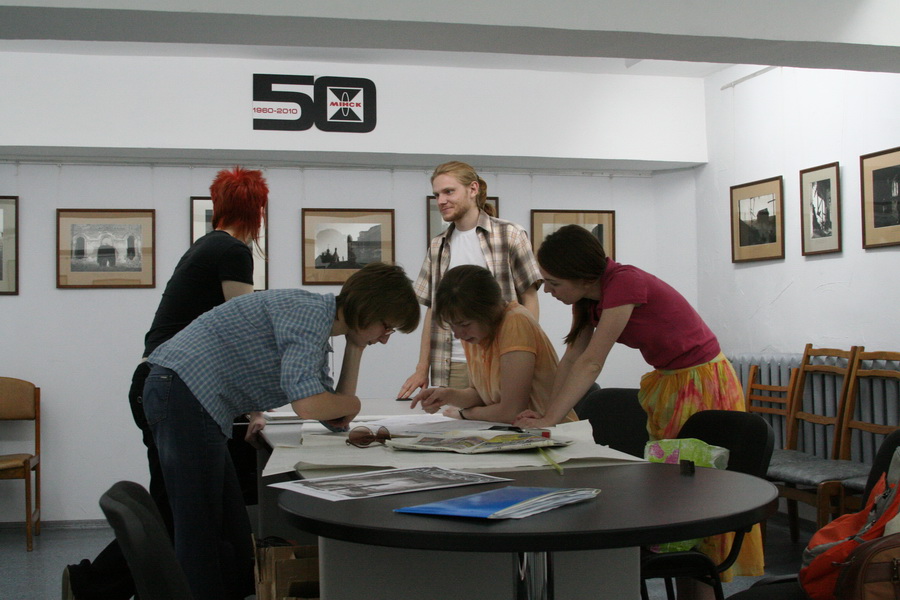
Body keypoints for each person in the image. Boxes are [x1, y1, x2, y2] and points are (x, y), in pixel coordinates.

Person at [142, 262, 419, 600]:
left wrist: (356, 347)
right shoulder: (308, 314)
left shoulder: (318, 327)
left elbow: (335, 418)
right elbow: (310, 405)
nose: (386, 339)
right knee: (201, 529)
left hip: (191, 398)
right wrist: (354, 403)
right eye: (387, 327)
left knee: (230, 526)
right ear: (367, 309)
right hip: (182, 392)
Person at [514, 224, 760, 597]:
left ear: (583, 278)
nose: (547, 291)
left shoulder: (623, 283)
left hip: (700, 383)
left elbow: (593, 362)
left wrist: (550, 418)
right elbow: (573, 357)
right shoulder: (590, 297)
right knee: (679, 502)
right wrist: (550, 414)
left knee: (695, 502)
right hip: (672, 383)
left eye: (553, 283)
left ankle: (700, 587)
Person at [64, 166, 269, 600]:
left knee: (170, 508)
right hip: (176, 386)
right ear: (257, 210)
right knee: (187, 510)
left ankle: (91, 585)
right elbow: (241, 332)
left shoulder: (205, 247)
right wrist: (255, 407)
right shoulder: (233, 251)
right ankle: (93, 585)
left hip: (154, 383)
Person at [397, 161, 542, 396]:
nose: (441, 200)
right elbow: (434, 310)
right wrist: (422, 368)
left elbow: (530, 299)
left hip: (501, 356)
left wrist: (523, 353)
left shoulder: (510, 234)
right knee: (454, 419)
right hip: (451, 363)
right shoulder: (438, 245)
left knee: (504, 417)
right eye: (437, 194)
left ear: (473, 189)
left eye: (449, 191)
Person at [410, 265, 577, 424]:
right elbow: (483, 395)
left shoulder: (515, 323)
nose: (458, 334)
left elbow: (511, 412)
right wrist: (448, 395)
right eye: (452, 325)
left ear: (488, 312)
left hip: (554, 432)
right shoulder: (477, 333)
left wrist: (465, 414)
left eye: (464, 324)